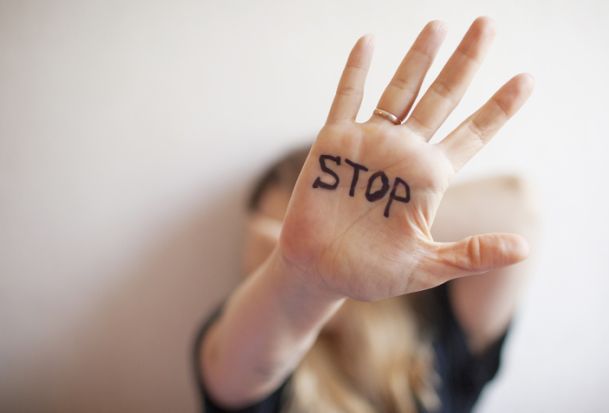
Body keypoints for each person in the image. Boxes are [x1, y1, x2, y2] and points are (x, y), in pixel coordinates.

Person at [194, 16, 538, 413]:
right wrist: (296, 275)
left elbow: (520, 206)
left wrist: (393, 219)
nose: (304, 244)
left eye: (304, 228)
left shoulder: (435, 338)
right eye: (279, 233)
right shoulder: (245, 349)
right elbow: (234, 375)